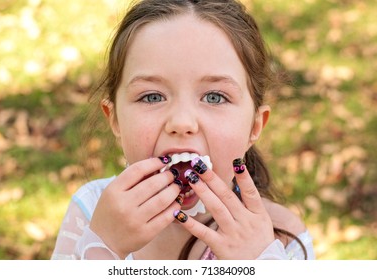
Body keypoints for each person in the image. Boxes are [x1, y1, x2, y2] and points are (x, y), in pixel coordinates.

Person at [51, 0, 315, 260]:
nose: (181, 123)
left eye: (214, 97)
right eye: (152, 97)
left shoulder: (281, 239)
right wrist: (102, 248)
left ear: (254, 126)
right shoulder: (92, 214)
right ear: (115, 119)